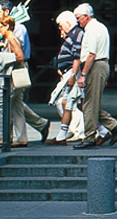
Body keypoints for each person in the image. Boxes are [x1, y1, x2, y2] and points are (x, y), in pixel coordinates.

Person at [71, 3, 117, 148]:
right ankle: (113, 125)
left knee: (88, 103)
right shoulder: (100, 27)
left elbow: (91, 54)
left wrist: (83, 74)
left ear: (86, 16)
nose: (77, 21)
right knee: (89, 102)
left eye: (78, 17)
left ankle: (89, 137)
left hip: (95, 65)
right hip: (100, 65)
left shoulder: (92, 30)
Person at [0, 9, 38, 146]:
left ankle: (5, 137)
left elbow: (19, 57)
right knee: (17, 107)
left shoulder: (11, 38)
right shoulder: (10, 39)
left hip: (14, 77)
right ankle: (21, 138)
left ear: (7, 27)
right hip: (15, 74)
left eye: (1, 27)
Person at [47, 11, 84, 145]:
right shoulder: (73, 35)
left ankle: (77, 130)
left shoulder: (76, 34)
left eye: (61, 25)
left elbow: (77, 57)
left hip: (71, 73)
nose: (60, 28)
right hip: (69, 72)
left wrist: (73, 75)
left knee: (65, 101)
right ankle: (69, 131)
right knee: (65, 101)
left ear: (68, 23)